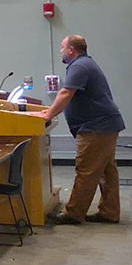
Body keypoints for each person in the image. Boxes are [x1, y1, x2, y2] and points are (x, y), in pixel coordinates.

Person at [42, 35, 125, 225]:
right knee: (106, 171)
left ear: (71, 49)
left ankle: (73, 213)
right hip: (106, 125)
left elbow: (65, 93)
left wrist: (47, 115)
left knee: (86, 170)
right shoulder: (85, 63)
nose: (61, 52)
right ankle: (109, 211)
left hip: (96, 128)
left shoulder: (79, 66)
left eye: (62, 48)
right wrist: (50, 110)